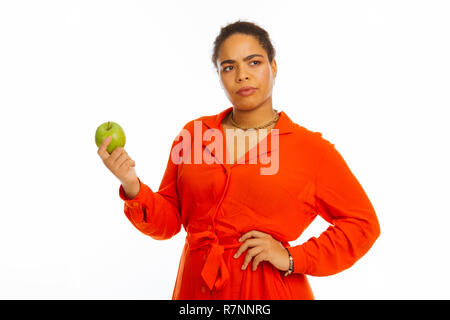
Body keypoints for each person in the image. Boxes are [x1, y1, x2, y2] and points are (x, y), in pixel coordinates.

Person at [97, 20, 381, 300]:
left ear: (274, 67)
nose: (242, 75)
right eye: (229, 67)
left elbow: (363, 224)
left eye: (254, 62)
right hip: (196, 291)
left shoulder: (310, 149)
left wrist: (293, 257)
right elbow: (169, 221)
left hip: (269, 290)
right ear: (219, 76)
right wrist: (132, 185)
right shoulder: (194, 135)